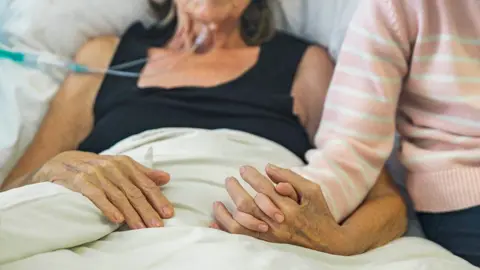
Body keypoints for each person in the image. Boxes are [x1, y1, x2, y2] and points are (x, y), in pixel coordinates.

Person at [0, 0, 407, 256]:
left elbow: (386, 202)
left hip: (248, 235)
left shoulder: (306, 64)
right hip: (113, 222)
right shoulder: (103, 56)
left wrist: (335, 242)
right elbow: (15, 188)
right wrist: (61, 170)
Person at [224, 0, 479, 266]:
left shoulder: (302, 60)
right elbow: (351, 147)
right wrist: (292, 204)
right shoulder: (395, 8)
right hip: (465, 189)